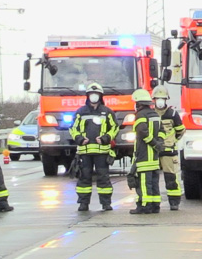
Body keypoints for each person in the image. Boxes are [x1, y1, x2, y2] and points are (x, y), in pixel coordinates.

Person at [69, 82, 117, 211]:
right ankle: (83, 203)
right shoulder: (80, 112)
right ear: (88, 96)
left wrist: (106, 138)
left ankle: (106, 203)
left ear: (100, 96)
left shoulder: (107, 112)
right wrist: (79, 139)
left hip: (102, 152)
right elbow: (73, 128)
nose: (94, 96)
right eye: (91, 94)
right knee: (84, 178)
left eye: (96, 94)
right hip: (84, 152)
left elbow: (114, 128)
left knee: (103, 178)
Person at [128, 89, 163, 214]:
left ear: (139, 103)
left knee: (143, 183)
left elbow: (142, 132)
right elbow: (162, 131)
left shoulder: (140, 115)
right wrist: (159, 143)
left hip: (144, 156)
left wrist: (153, 143)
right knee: (154, 183)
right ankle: (155, 206)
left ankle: (144, 206)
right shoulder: (155, 115)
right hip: (154, 158)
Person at [152, 86, 185, 210]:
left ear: (166, 99)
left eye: (162, 98)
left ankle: (174, 202)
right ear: (154, 100)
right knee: (153, 178)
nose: (160, 101)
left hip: (169, 151)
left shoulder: (172, 114)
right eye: (157, 98)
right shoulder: (150, 113)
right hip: (154, 150)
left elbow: (180, 130)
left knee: (171, 177)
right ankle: (154, 203)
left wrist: (172, 141)